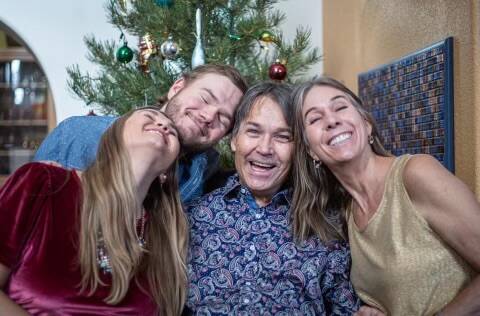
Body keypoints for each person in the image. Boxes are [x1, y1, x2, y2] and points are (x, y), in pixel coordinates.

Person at [291, 76, 480, 315]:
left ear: (366, 123)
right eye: (315, 118)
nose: (332, 120)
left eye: (340, 107)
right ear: (310, 150)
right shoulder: (346, 214)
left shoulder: (416, 174)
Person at [185, 82, 360, 315]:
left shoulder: (326, 225)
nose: (265, 148)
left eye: (283, 136)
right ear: (234, 140)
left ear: (299, 149)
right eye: (254, 132)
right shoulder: (193, 217)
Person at [0, 107, 188, 315]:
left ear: (166, 173)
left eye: (172, 131)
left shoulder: (164, 238)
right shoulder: (43, 184)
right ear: (112, 139)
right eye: (150, 117)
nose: (164, 125)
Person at [34, 64, 248, 203]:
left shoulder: (204, 175)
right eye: (205, 98)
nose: (209, 115)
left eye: (223, 118)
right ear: (177, 87)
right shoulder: (81, 135)